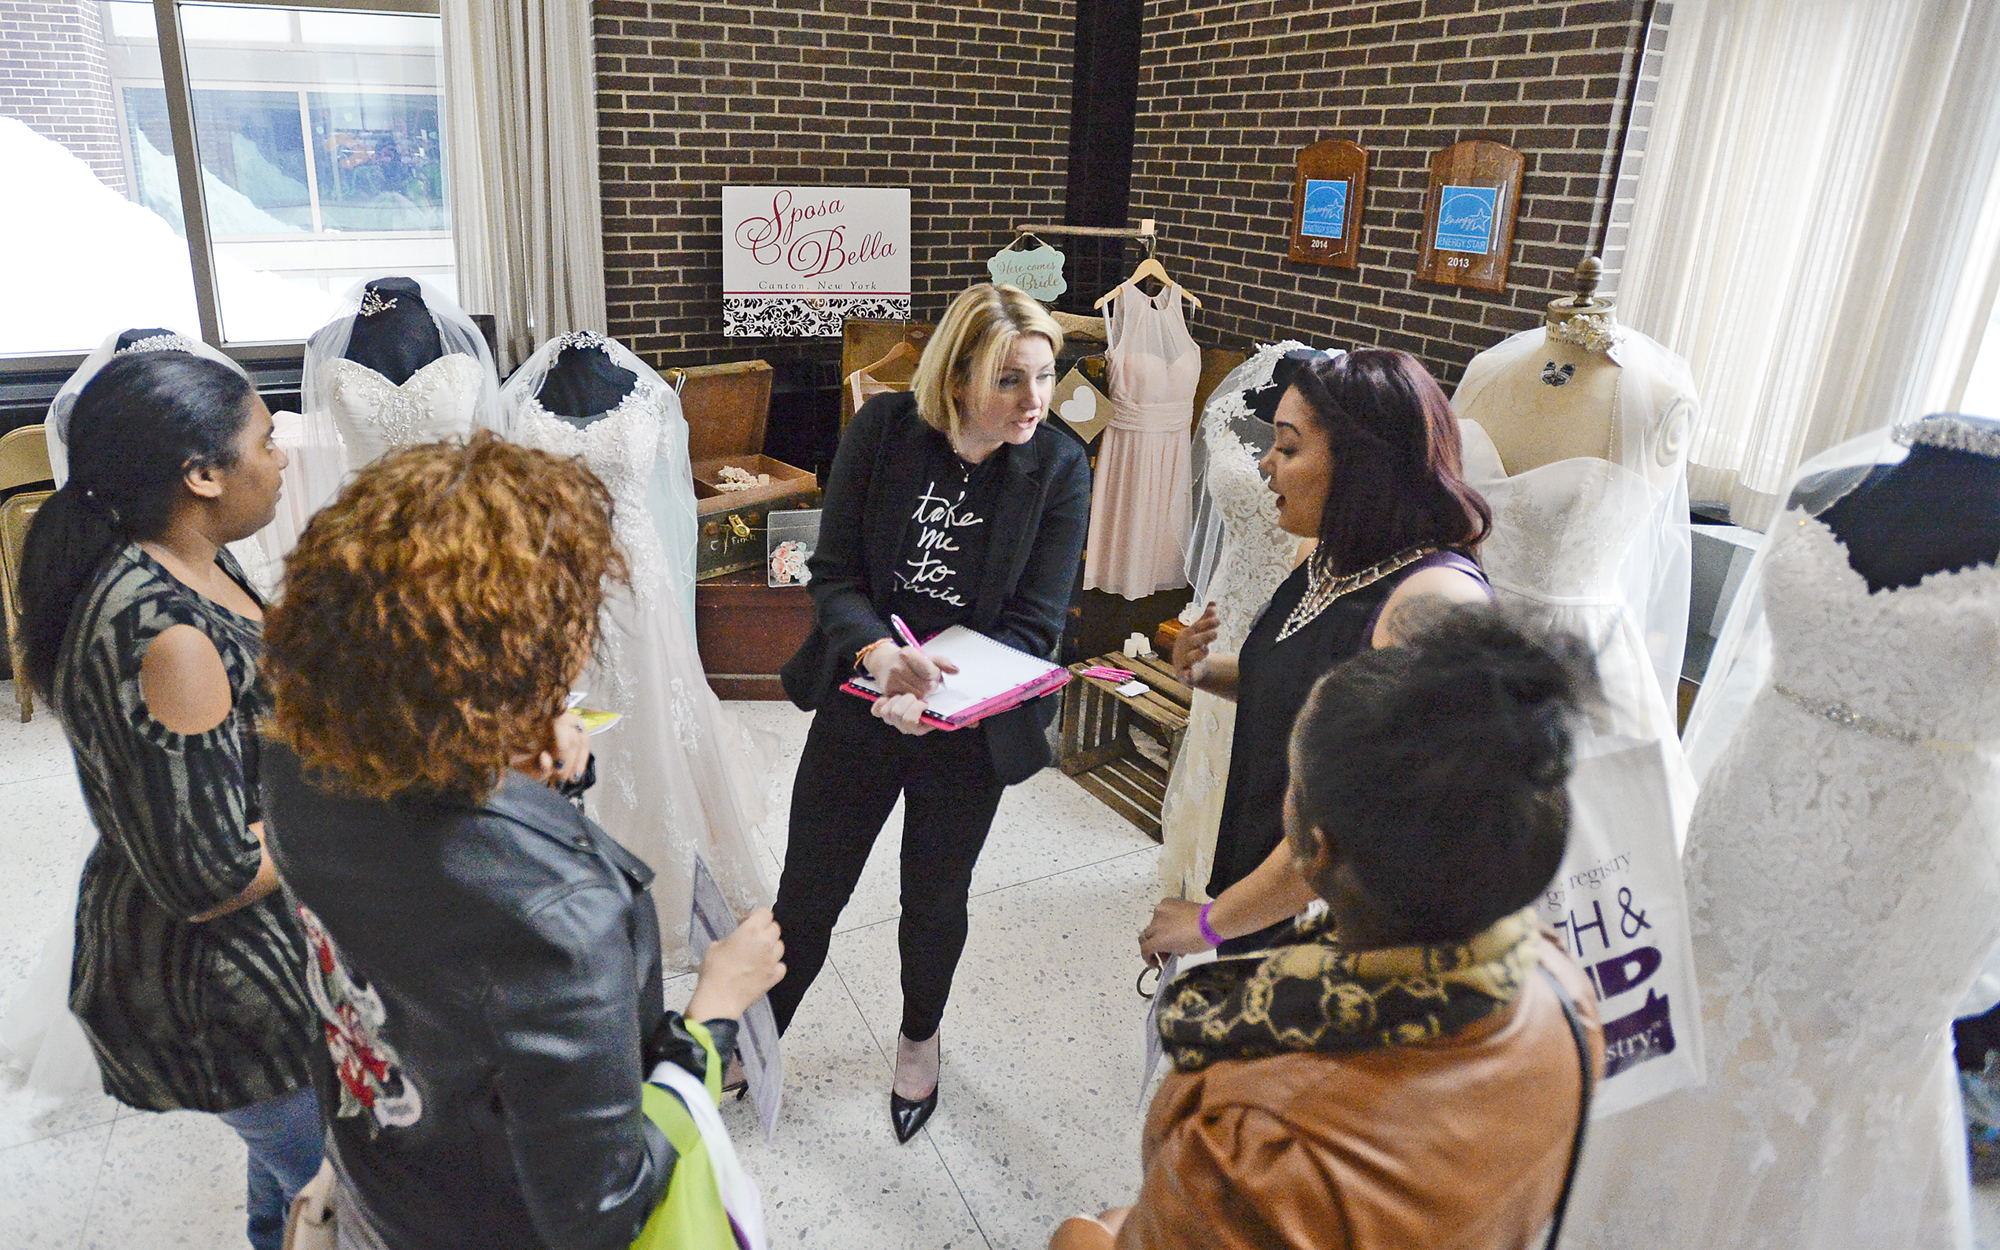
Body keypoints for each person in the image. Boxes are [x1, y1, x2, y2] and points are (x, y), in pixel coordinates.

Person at [259, 433, 786, 1250]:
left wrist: (519, 772)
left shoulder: (297, 759)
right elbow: (603, 1208)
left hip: (382, 1172)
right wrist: (714, 1010)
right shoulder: (561, 919)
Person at [1055, 607, 1606, 1249]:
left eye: (1293, 782)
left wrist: (1088, 1233)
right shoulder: (1565, 993)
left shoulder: (1256, 1150)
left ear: (1315, 848)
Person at [772, 283, 1091, 1142]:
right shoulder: (883, 431)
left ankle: (920, 1037)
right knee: (808, 889)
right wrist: (881, 658)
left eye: (1045, 376)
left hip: (971, 723)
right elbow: (835, 573)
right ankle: (761, 1036)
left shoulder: (1059, 467)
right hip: (861, 696)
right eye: (1010, 380)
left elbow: (1035, 624)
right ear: (957, 378)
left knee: (935, 898)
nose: (1035, 400)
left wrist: (939, 700)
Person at [16, 350, 321, 1250]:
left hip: (267, 965)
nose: (282, 458)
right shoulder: (167, 634)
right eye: (265, 441)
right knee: (350, 1202)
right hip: (227, 996)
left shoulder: (195, 564)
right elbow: (210, 873)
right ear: (201, 475)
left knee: (285, 1198)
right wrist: (360, 812)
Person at [1139, 349, 1492, 963]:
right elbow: (1311, 688)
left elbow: (1352, 823)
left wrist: (1207, 925)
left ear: (1364, 463)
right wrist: (1207, 672)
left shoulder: (1434, 601)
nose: (1266, 464)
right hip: (1270, 879)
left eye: (1288, 447)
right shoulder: (1326, 557)